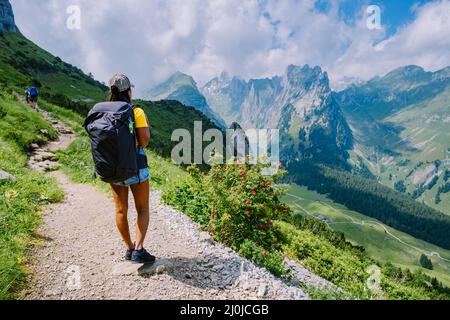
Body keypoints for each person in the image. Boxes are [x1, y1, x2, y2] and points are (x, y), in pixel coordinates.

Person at [107, 74, 154, 264]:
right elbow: (144, 141)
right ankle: (139, 250)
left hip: (113, 168)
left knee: (120, 210)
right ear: (128, 90)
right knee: (142, 208)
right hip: (136, 167)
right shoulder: (136, 112)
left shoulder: (103, 112)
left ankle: (129, 248)